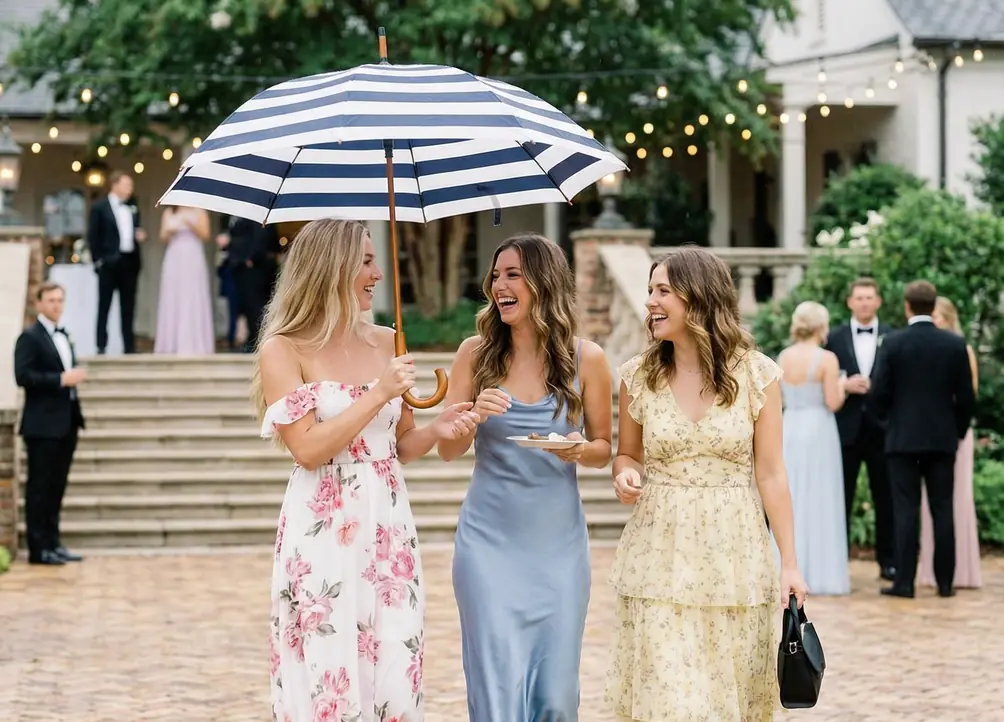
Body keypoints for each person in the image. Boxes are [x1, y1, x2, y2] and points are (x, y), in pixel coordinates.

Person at [252, 218, 478, 722]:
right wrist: (379, 393)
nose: (379, 272)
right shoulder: (283, 349)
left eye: (377, 259)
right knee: (327, 658)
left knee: (396, 659)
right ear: (331, 267)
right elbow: (307, 449)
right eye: (367, 261)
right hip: (322, 523)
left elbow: (399, 447)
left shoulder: (387, 340)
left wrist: (440, 427)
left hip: (387, 521)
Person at [606, 246, 807, 721]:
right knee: (669, 696)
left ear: (699, 299)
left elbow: (772, 473)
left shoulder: (758, 374)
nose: (650, 301)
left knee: (725, 692)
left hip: (734, 555)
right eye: (649, 290)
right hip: (658, 552)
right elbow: (626, 453)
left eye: (663, 291)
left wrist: (791, 564)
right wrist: (626, 473)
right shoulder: (638, 376)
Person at [437, 233, 613, 722]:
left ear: (544, 282)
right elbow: (448, 449)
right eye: (496, 275)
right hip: (488, 546)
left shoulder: (588, 359)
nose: (500, 286)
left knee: (556, 695)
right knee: (496, 688)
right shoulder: (475, 353)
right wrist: (470, 414)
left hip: (558, 548)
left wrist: (579, 449)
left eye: (513, 274)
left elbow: (604, 449)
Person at [870, 280, 975, 599]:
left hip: (902, 440)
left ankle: (904, 583)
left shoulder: (893, 343)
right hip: (942, 440)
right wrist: (956, 431)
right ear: (932, 306)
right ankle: (945, 584)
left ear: (906, 306)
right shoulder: (954, 345)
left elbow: (878, 393)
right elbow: (966, 398)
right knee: (942, 510)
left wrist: (890, 425)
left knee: (905, 511)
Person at [824, 277, 896, 581]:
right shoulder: (834, 337)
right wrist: (844, 384)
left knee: (887, 497)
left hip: (883, 429)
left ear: (878, 301)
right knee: (842, 496)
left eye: (870, 297)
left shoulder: (894, 336)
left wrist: (876, 386)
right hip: (846, 429)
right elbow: (823, 378)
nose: (865, 302)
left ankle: (889, 562)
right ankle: (837, 562)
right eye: (860, 298)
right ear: (850, 302)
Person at [777, 301, 850, 595]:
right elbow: (833, 402)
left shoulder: (783, 356)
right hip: (819, 429)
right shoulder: (827, 359)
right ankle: (821, 573)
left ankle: (787, 566)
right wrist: (843, 386)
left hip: (790, 426)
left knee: (791, 495)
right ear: (821, 326)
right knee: (820, 496)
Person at [13, 282, 86, 565]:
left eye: (60, 300)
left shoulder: (64, 335)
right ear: (39, 304)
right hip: (41, 425)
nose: (57, 305)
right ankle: (38, 548)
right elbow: (23, 376)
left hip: (67, 422)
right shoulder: (30, 337)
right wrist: (60, 380)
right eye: (51, 300)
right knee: (39, 487)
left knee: (57, 487)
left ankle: (54, 542)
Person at [917, 296, 982, 589]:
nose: (934, 321)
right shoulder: (924, 347)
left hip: (954, 432)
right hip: (930, 434)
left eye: (939, 317)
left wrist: (957, 430)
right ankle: (931, 570)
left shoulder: (962, 349)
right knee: (930, 503)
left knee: (955, 499)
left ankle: (960, 570)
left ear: (948, 318)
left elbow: (970, 395)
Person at [87, 171, 147, 354]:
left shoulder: (133, 206)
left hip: (130, 261)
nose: (130, 189)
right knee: (104, 305)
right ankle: (101, 345)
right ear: (114, 185)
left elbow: (133, 229)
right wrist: (98, 261)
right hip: (109, 263)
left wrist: (139, 235)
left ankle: (129, 346)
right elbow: (93, 236)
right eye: (127, 185)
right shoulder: (99, 207)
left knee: (128, 306)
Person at [153, 205, 216, 355]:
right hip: (174, 255)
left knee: (192, 295)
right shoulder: (169, 212)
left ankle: (195, 343)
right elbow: (163, 236)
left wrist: (189, 223)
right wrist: (169, 230)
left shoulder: (199, 211)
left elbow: (205, 234)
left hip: (192, 254)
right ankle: (170, 343)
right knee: (172, 295)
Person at [218, 216, 282, 352]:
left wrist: (250, 258)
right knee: (246, 306)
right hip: (239, 266)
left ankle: (258, 341)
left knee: (256, 305)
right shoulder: (233, 217)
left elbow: (260, 239)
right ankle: (251, 338)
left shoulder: (258, 216)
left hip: (254, 267)